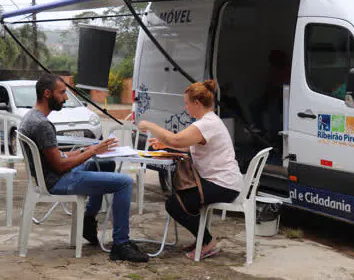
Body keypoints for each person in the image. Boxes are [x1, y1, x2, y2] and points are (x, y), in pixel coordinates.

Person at [19, 73, 149, 263]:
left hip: (52, 175)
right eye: (62, 93)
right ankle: (121, 244)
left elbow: (57, 156)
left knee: (106, 163)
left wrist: (83, 150)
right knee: (125, 182)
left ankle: (88, 220)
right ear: (47, 94)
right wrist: (93, 150)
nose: (65, 98)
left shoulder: (31, 117)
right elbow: (61, 166)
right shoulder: (42, 124)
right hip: (58, 181)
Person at [138, 79, 243, 260]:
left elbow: (177, 140)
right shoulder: (210, 121)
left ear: (197, 103)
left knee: (174, 204)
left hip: (223, 185)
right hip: (223, 182)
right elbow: (188, 145)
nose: (186, 108)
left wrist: (149, 125)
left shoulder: (206, 124)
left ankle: (207, 241)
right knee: (182, 199)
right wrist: (165, 144)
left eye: (187, 104)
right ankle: (202, 238)